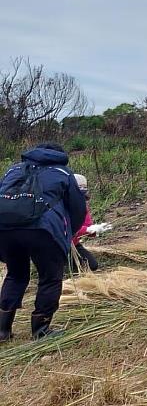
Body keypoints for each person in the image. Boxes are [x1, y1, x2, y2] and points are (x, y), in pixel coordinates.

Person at [0, 143, 86, 341]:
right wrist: (67, 233)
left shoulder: (13, 169)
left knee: (15, 275)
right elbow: (78, 209)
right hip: (43, 230)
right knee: (50, 277)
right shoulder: (63, 173)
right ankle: (41, 330)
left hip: (5, 229)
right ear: (60, 156)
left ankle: (2, 330)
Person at [71, 174, 112, 272]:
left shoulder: (83, 205)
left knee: (91, 265)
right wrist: (87, 230)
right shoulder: (63, 205)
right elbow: (67, 227)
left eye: (84, 187)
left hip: (74, 244)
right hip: (60, 244)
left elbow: (87, 225)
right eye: (79, 187)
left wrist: (95, 229)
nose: (82, 189)